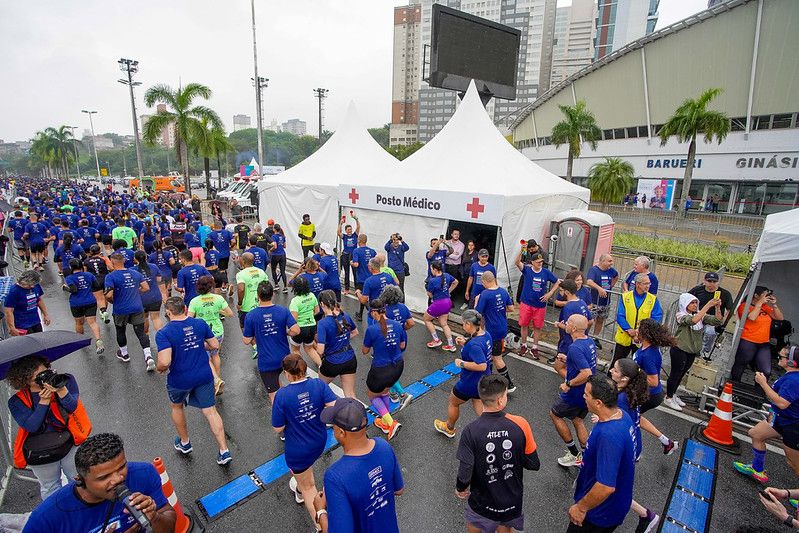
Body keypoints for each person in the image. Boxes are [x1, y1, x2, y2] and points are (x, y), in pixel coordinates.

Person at [21, 433, 177, 533]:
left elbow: (169, 525)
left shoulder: (144, 474)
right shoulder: (46, 518)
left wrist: (154, 517)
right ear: (79, 480)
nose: (118, 479)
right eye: (104, 477)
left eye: (122, 467)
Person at [456, 374, 540, 533]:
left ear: (481, 398)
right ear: (501, 400)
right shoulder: (520, 424)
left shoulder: (470, 430)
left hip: (481, 502)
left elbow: (465, 470)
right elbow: (533, 464)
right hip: (511, 501)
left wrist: (460, 488)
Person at [156, 297, 231, 465]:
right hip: (204, 375)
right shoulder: (199, 324)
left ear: (168, 313)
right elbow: (214, 345)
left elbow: (165, 361)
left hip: (180, 379)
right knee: (211, 411)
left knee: (177, 407)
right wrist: (198, 344)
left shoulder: (164, 333)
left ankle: (185, 443)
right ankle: (224, 450)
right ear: (185, 308)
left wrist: (159, 368)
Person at [314, 398, 404, 533]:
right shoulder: (383, 446)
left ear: (341, 432)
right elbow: (398, 490)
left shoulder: (335, 476)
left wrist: (320, 511)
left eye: (333, 425)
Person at [7, 355, 89, 500]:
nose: (44, 380)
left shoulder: (65, 381)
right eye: (37, 378)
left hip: (69, 442)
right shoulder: (16, 401)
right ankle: (57, 519)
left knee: (79, 480)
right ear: (24, 381)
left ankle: (81, 513)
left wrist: (61, 390)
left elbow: (72, 407)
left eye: (46, 373)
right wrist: (43, 401)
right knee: (50, 487)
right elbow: (32, 426)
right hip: (40, 450)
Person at [272, 354, 338, 525]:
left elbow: (277, 428)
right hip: (319, 440)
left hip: (298, 449)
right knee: (304, 476)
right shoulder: (318, 384)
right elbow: (334, 407)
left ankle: (321, 526)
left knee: (309, 488)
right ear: (303, 369)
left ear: (287, 373)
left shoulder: (283, 395)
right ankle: (299, 490)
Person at [568, 375, 636, 533]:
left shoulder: (609, 436)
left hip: (599, 512)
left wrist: (581, 508)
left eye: (586, 394)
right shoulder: (621, 415)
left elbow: (605, 486)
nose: (583, 396)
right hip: (611, 505)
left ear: (598, 403)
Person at [608, 358, 660, 532]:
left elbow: (621, 425)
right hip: (634, 444)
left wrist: (603, 418)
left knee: (611, 486)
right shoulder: (629, 391)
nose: (610, 371)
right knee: (611, 484)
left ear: (624, 378)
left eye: (615, 370)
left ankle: (646, 515)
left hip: (628, 448)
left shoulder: (622, 398)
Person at [734, 345, 799, 482]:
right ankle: (757, 470)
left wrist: (763, 383)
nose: (778, 358)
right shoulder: (791, 376)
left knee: (794, 464)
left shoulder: (794, 380)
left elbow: (782, 403)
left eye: (781, 357)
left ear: (792, 362)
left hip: (793, 427)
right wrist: (771, 412)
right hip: (781, 420)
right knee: (756, 434)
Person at [434, 309, 491, 438]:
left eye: (463, 323)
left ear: (469, 324)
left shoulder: (474, 345)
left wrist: (462, 363)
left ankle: (449, 428)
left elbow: (482, 365)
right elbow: (481, 350)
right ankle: (490, 430)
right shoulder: (486, 335)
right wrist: (465, 342)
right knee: (477, 402)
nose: (462, 326)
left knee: (453, 402)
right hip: (483, 381)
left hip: (469, 382)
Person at [242, 281, 301, 403]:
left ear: (258, 296)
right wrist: (285, 332)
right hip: (285, 357)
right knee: (295, 388)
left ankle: (282, 419)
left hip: (267, 362)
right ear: (272, 294)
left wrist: (257, 332)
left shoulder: (251, 315)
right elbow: (296, 330)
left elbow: (246, 340)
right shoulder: (282, 311)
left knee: (274, 397)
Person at [552, 314, 597, 467]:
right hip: (587, 392)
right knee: (577, 420)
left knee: (555, 414)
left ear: (574, 328)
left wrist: (569, 384)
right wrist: (569, 359)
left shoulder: (575, 347)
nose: (566, 323)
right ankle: (585, 456)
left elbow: (587, 373)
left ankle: (573, 454)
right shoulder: (589, 341)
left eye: (569, 322)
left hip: (576, 393)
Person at [664, 293, 722, 411]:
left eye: (696, 302)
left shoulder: (700, 315)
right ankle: (668, 397)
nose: (695, 305)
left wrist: (717, 307)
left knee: (682, 373)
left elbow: (717, 321)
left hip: (692, 350)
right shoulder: (680, 315)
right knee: (675, 373)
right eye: (692, 303)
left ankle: (674, 393)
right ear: (685, 304)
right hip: (680, 348)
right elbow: (693, 321)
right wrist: (708, 305)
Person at [632, 319, 679, 455]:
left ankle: (636, 452)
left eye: (638, 328)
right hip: (649, 393)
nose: (636, 330)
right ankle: (667, 442)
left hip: (650, 394)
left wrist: (634, 373)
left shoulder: (649, 354)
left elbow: (653, 381)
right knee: (635, 417)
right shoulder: (646, 347)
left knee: (632, 420)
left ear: (645, 333)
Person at [363, 300, 407, 439]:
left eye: (371, 313)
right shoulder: (398, 325)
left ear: (375, 312)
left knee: (372, 395)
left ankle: (391, 423)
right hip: (398, 366)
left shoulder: (372, 329)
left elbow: (365, 351)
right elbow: (402, 345)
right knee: (385, 392)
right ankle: (384, 422)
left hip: (380, 369)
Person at [104, 253, 154, 369]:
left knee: (121, 331)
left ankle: (124, 354)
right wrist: (136, 292)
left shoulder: (111, 277)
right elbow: (146, 287)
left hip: (121, 309)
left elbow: (109, 294)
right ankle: (148, 356)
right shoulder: (135, 273)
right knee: (141, 332)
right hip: (137, 307)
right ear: (124, 261)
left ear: (112, 262)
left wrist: (110, 299)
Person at [188, 275, 234, 395]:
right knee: (215, 355)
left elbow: (189, 319)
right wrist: (218, 311)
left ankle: (215, 381)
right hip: (218, 331)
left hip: (202, 333)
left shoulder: (194, 301)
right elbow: (230, 314)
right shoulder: (218, 298)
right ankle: (217, 378)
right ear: (211, 286)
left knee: (205, 357)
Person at [474, 271, 516, 392]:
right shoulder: (503, 291)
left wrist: (477, 300)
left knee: (496, 357)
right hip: (502, 327)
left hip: (492, 330)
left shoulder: (485, 294)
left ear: (485, 281)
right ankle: (488, 380)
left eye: (482, 283)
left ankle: (509, 385)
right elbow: (511, 308)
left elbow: (477, 313)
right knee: (492, 355)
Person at [611, 273, 664, 369]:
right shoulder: (625, 297)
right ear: (638, 284)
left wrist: (639, 331)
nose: (648, 286)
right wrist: (629, 329)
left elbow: (657, 317)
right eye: (645, 283)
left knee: (638, 366)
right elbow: (620, 315)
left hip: (642, 338)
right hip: (625, 336)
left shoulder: (653, 299)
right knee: (617, 363)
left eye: (649, 283)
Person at [731, 286, 784, 381]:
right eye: (765, 295)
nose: (766, 297)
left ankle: (759, 389)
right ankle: (734, 385)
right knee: (741, 364)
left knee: (766, 370)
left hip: (764, 343)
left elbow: (779, 318)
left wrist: (774, 305)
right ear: (756, 295)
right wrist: (759, 304)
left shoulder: (765, 307)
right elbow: (752, 317)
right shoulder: (744, 306)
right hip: (748, 341)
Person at [515, 250, 560, 359]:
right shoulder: (527, 270)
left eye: (541, 261)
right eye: (538, 262)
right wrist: (521, 250)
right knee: (524, 325)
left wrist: (550, 293)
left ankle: (535, 347)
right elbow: (517, 262)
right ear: (532, 262)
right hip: (526, 303)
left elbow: (558, 281)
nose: (540, 263)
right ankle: (524, 345)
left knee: (537, 327)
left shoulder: (545, 272)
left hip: (540, 305)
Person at [315, 290, 359, 399]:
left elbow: (320, 351)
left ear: (322, 304)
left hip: (332, 362)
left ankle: (327, 412)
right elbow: (355, 332)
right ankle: (357, 414)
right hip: (349, 358)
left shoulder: (322, 323)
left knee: (320, 389)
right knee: (350, 394)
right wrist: (342, 339)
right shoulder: (345, 316)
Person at [63, 258, 104, 354]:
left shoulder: (69, 278)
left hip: (76, 303)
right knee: (93, 322)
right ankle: (98, 341)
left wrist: (65, 288)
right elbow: (96, 286)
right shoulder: (89, 275)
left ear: (71, 267)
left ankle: (81, 341)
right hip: (90, 301)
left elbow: (73, 290)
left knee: (79, 323)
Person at [688, 272, 733, 355]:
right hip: (698, 316)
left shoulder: (725, 294)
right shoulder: (697, 290)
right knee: (694, 331)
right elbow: (686, 299)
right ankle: (695, 350)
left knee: (710, 332)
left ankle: (706, 351)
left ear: (718, 282)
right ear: (704, 281)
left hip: (713, 319)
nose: (712, 284)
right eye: (709, 281)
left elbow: (730, 309)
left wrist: (723, 322)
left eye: (714, 282)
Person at [555, 279, 594, 364]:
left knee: (560, 366)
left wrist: (558, 324)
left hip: (569, 342)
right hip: (580, 340)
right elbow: (591, 321)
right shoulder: (582, 302)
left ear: (567, 292)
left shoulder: (568, 307)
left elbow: (568, 328)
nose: (560, 293)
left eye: (561, 291)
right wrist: (584, 331)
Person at [585, 254, 619, 349]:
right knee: (589, 320)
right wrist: (599, 289)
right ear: (602, 261)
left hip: (605, 302)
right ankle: (585, 336)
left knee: (600, 320)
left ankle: (595, 338)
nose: (611, 263)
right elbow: (589, 282)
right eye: (609, 261)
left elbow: (616, 276)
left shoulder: (611, 271)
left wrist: (611, 286)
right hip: (594, 301)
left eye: (611, 261)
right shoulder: (594, 270)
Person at [236, 252, 269, 347]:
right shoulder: (261, 272)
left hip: (246, 307)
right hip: (261, 305)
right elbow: (267, 287)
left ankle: (255, 346)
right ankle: (262, 344)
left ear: (243, 261)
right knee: (260, 325)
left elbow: (241, 289)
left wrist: (239, 303)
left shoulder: (241, 274)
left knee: (244, 327)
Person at [424, 260, 458, 352]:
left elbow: (429, 294)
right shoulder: (446, 275)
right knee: (444, 324)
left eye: (431, 269)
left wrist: (433, 296)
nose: (431, 270)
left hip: (438, 303)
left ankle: (436, 340)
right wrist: (448, 291)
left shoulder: (432, 280)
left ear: (435, 269)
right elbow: (456, 282)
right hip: (448, 302)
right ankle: (451, 345)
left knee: (426, 319)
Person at [4, 269, 50, 335]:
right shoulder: (13, 292)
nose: (32, 286)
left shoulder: (35, 285)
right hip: (22, 324)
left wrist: (46, 315)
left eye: (33, 284)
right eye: (29, 285)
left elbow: (39, 300)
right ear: (22, 282)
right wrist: (12, 328)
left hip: (35, 321)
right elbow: (8, 311)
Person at [288, 275, 322, 366]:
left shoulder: (295, 301)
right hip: (312, 326)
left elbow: (293, 320)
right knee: (310, 349)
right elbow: (317, 311)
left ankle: (302, 371)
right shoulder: (312, 296)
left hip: (300, 328)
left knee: (295, 350)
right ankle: (321, 366)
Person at [133, 250, 164, 335]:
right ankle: (161, 336)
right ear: (146, 257)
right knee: (156, 318)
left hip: (141, 298)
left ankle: (146, 337)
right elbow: (159, 279)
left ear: (135, 259)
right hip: (155, 296)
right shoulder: (154, 266)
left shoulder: (132, 270)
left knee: (144, 318)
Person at [357, 258, 397, 324]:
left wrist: (358, 293)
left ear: (370, 267)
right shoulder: (388, 276)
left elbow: (363, 300)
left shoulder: (369, 281)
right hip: (388, 311)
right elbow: (395, 289)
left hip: (375, 313)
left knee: (374, 332)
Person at [350, 234, 376, 321]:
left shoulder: (356, 251)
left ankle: (372, 312)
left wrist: (351, 263)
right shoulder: (372, 251)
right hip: (371, 277)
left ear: (359, 241)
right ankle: (360, 314)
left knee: (361, 296)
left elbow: (356, 264)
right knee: (366, 296)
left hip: (361, 278)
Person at [337, 212, 360, 294]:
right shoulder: (345, 236)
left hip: (354, 256)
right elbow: (338, 232)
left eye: (350, 229)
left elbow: (358, 227)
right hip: (346, 255)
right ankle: (347, 289)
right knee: (346, 272)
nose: (350, 231)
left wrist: (356, 218)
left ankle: (357, 289)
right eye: (348, 230)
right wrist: (341, 223)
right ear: (346, 231)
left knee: (355, 273)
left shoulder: (355, 235)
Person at [269, 223, 289, 293]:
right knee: (283, 271)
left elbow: (275, 246)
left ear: (274, 229)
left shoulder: (274, 236)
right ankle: (285, 287)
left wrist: (270, 250)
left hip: (275, 255)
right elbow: (284, 246)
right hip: (282, 254)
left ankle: (276, 285)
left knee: (273, 269)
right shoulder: (282, 236)